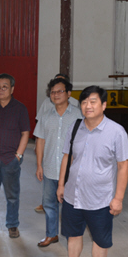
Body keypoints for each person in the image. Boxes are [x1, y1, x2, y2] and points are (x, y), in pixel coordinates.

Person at [55, 85, 128, 257]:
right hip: (73, 195)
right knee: (73, 234)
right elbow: (67, 157)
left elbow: (123, 166)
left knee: (100, 240)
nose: (88, 106)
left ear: (103, 105)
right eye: (84, 102)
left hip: (100, 199)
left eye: (93, 101)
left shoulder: (116, 132)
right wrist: (61, 185)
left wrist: (118, 198)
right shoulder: (75, 127)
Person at [0, 73, 30, 238]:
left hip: (10, 160)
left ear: (12, 89)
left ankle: (12, 224)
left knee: (12, 196)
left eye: (5, 87)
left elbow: (25, 133)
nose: (0, 89)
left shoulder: (20, 109)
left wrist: (18, 156)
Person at [33, 77, 82, 247]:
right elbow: (40, 141)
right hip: (49, 168)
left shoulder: (78, 115)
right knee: (49, 204)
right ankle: (51, 234)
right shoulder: (46, 116)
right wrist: (39, 165)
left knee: (70, 206)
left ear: (69, 94)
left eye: (60, 91)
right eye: (53, 92)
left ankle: (72, 237)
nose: (56, 95)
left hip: (72, 171)